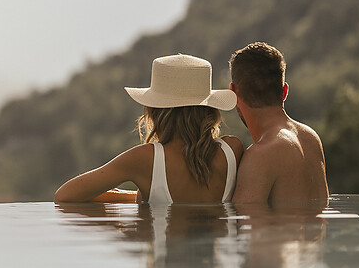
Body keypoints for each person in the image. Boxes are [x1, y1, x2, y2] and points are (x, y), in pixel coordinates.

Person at [54, 54, 243, 204]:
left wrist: (137, 197)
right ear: (209, 109)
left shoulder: (144, 160)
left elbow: (64, 195)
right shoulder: (232, 150)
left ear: (156, 111)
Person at [229, 42, 329, 205]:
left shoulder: (260, 156)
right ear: (284, 91)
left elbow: (247, 228)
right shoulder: (311, 138)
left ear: (233, 93)